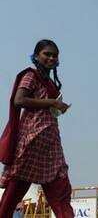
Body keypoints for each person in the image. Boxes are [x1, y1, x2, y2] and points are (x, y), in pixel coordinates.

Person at [0, 39, 74, 218]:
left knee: (61, 189)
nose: (51, 58)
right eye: (47, 54)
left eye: (54, 55)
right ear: (36, 56)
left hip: (50, 143)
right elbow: (19, 100)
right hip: (31, 141)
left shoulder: (49, 81)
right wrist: (51, 102)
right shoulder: (30, 76)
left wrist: (57, 107)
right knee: (13, 194)